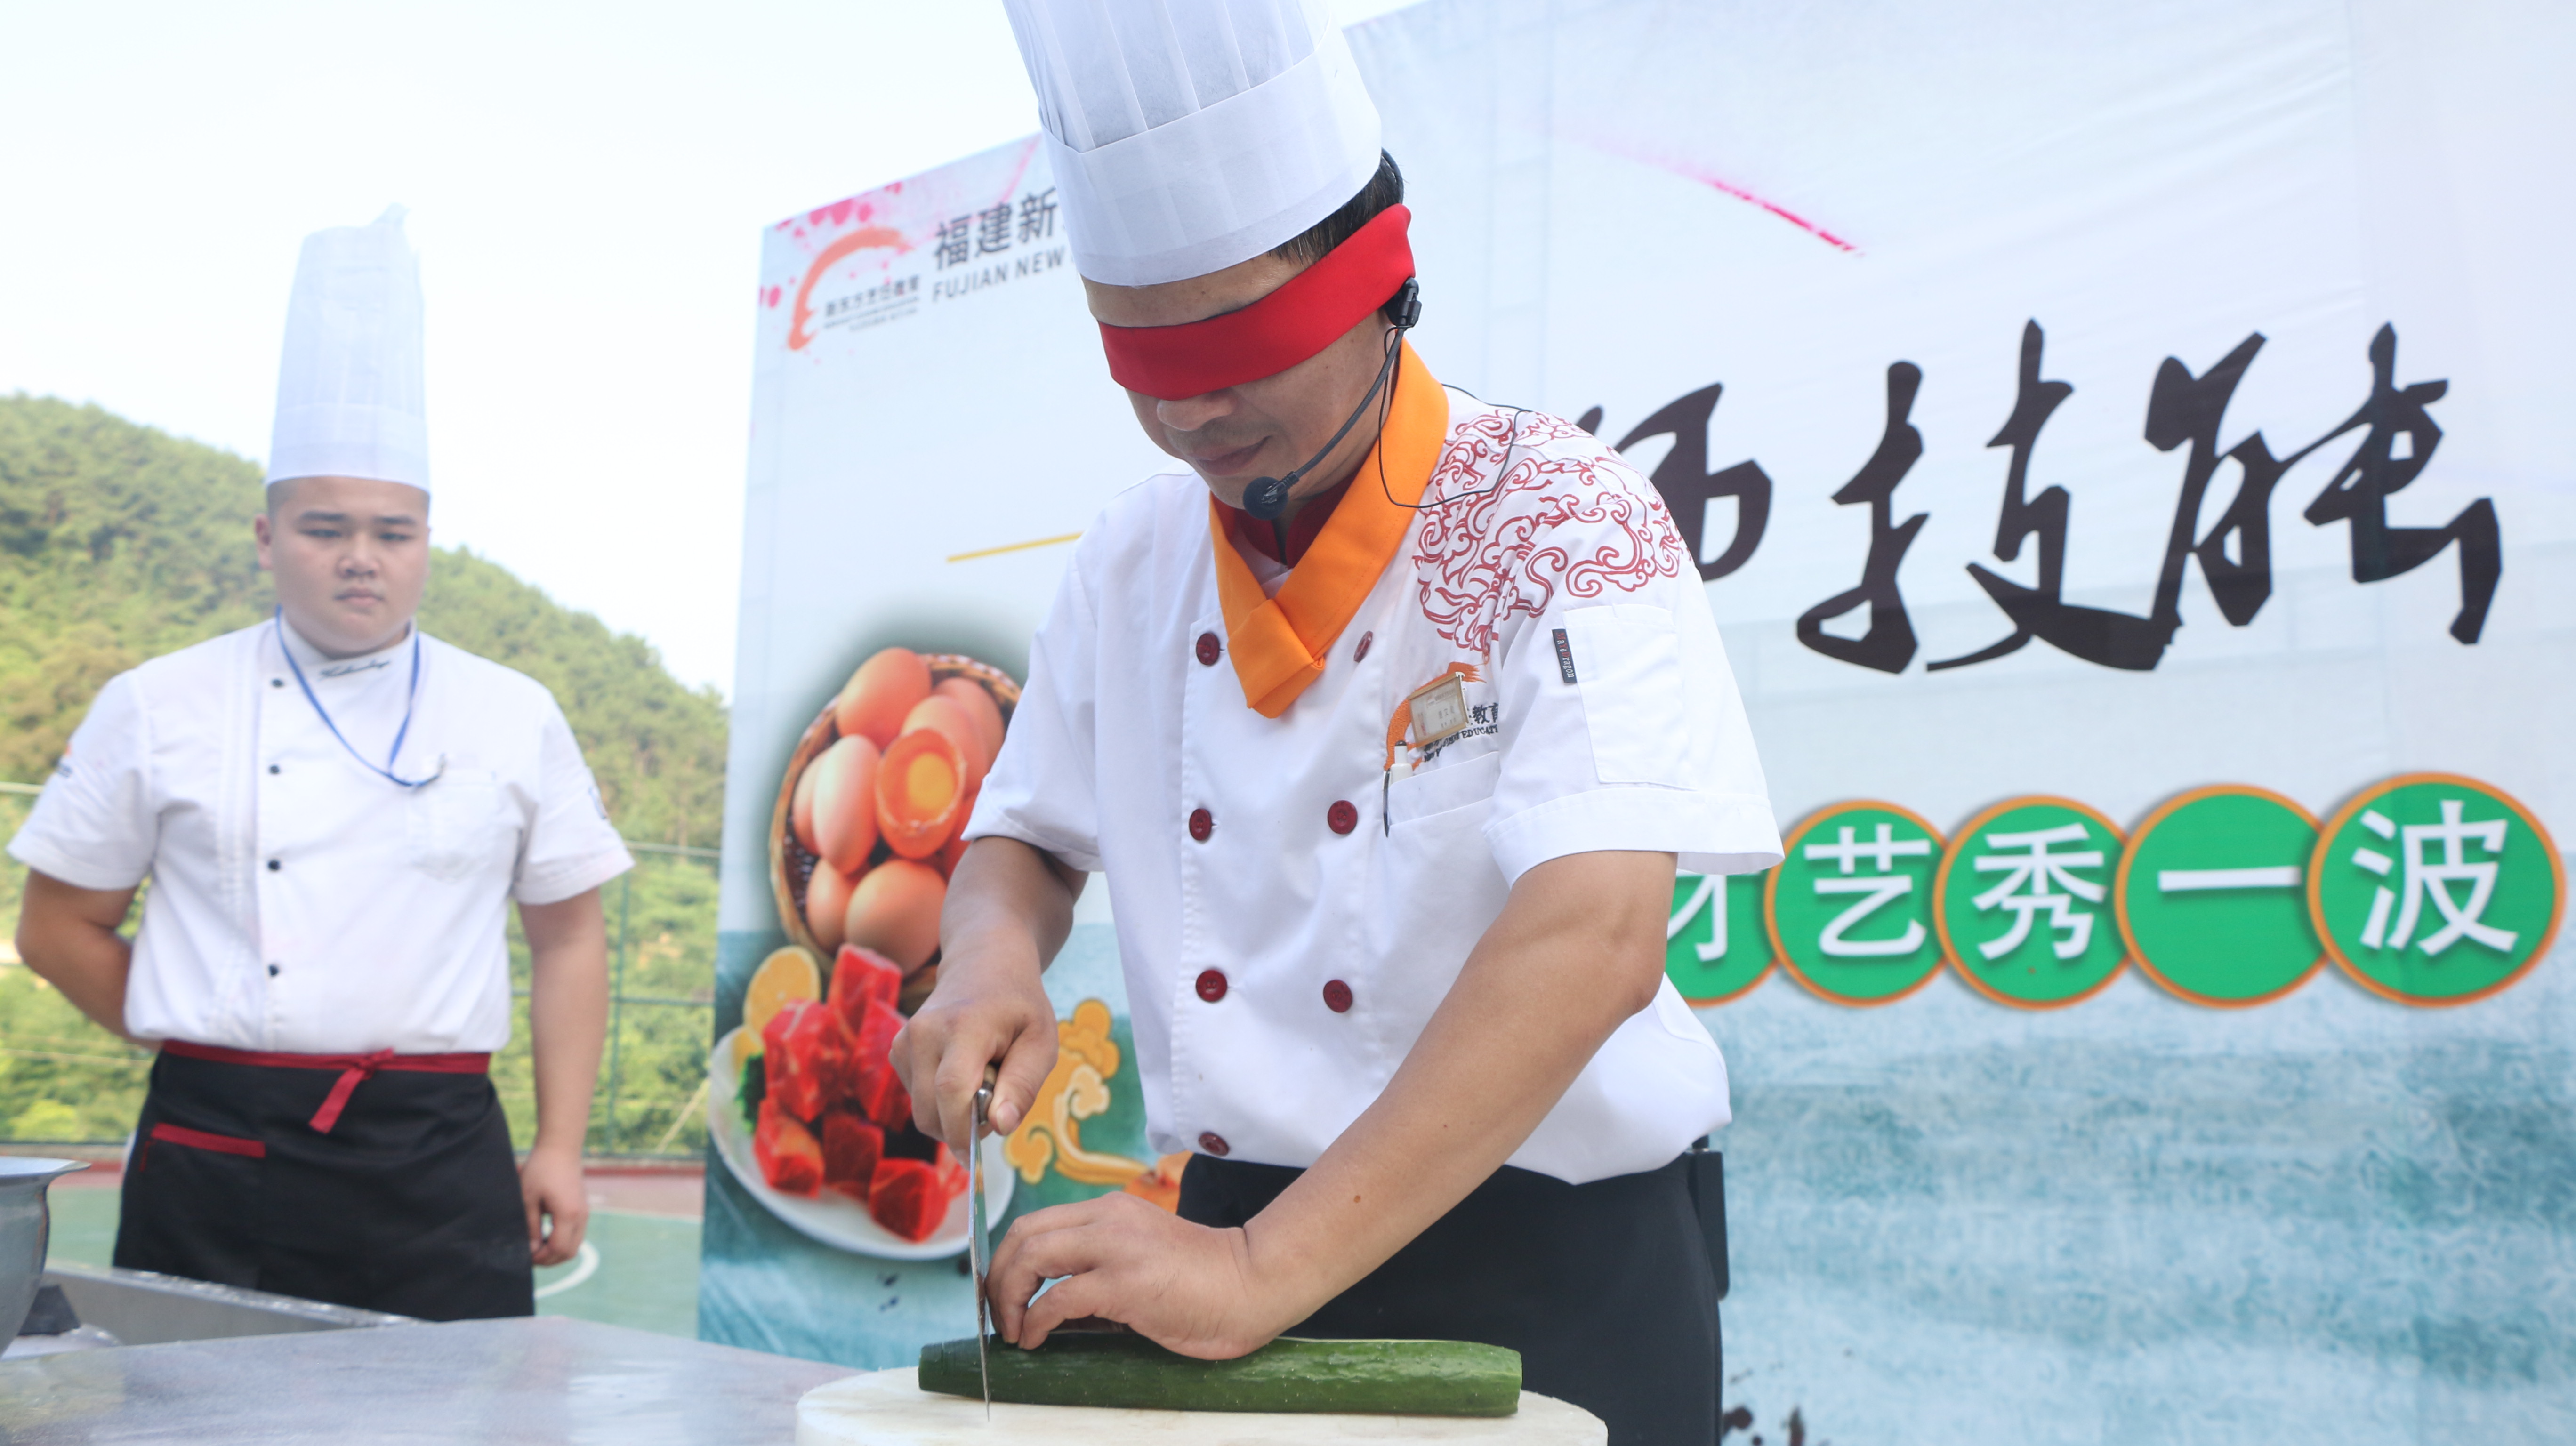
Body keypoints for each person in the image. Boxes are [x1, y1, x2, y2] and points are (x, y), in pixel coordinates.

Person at [893, 4, 1782, 1440]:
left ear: (1378, 285)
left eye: (1240, 344)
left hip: (1547, 1258)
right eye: (1145, 363)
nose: (1196, 412)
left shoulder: (1560, 515)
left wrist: (1263, 1271)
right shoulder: (1132, 561)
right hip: (1216, 1240)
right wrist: (990, 964)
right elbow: (1027, 839)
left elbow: (1598, 934)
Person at [8, 209, 633, 1321]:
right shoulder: (157, 703)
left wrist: (560, 1146)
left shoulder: (513, 712)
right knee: (193, 1403)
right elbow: (54, 928)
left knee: (456, 1405)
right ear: (265, 536)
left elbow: (569, 937)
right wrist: (208, 1028)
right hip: (214, 1149)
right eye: (324, 528)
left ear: (430, 539)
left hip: (441, 1152)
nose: (360, 560)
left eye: (394, 533)